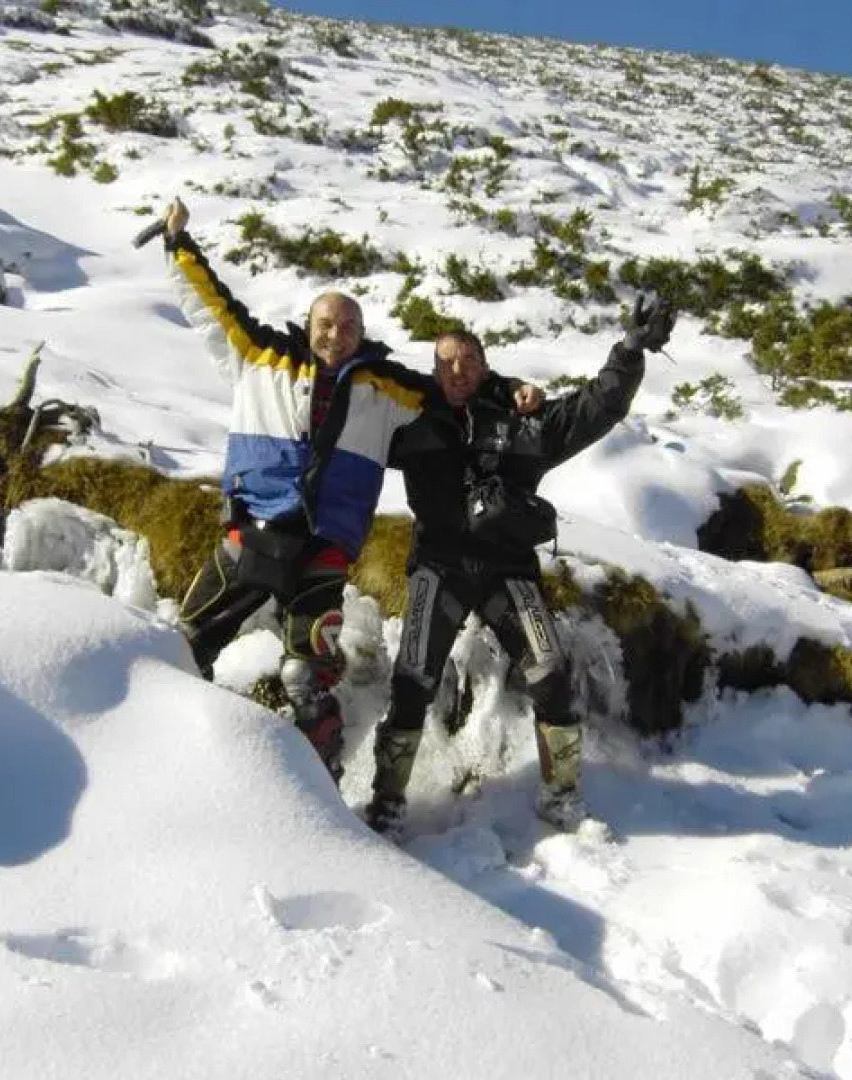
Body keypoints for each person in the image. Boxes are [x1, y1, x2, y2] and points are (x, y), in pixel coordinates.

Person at [160, 199, 538, 781]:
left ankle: (319, 787)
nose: (336, 334)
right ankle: (162, 752)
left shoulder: (386, 387)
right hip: (249, 534)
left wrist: (511, 388)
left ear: (363, 332)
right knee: (182, 646)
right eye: (326, 324)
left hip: (325, 551)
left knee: (304, 676)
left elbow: (456, 386)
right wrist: (179, 244)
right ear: (308, 327)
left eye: (349, 326)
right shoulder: (257, 355)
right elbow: (209, 303)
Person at [364, 294, 676, 835]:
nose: (458, 370)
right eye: (446, 362)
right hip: (439, 568)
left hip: (509, 573)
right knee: (412, 679)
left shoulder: (523, 421)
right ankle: (388, 799)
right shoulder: (411, 419)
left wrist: (629, 350)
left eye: (468, 360)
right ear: (432, 371)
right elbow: (353, 406)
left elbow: (596, 407)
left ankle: (561, 793)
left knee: (551, 673)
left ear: (485, 366)